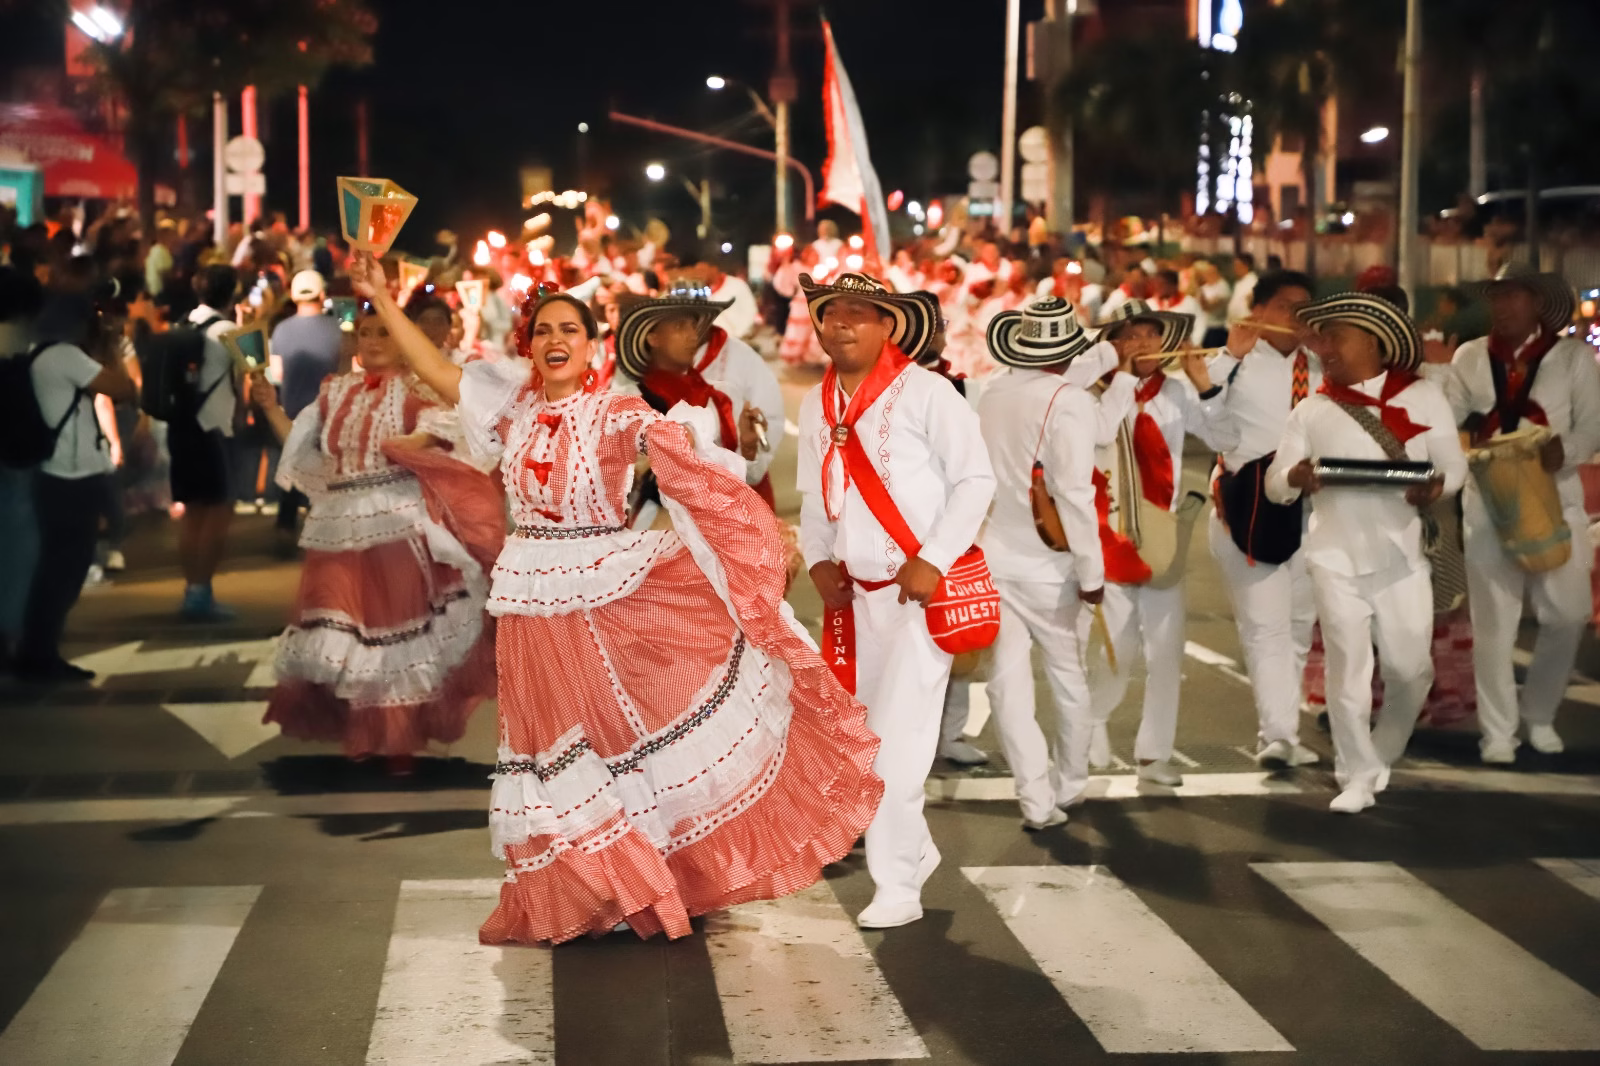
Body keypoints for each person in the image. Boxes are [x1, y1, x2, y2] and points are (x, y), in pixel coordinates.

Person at [349, 253, 883, 945]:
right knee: (552, 752)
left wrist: (748, 537)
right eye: (542, 331)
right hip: (529, 601)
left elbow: (694, 470)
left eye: (569, 328)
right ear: (529, 345)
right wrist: (382, 299)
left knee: (617, 740)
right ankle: (590, 887)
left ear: (593, 343)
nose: (555, 339)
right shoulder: (513, 411)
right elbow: (440, 371)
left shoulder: (616, 411)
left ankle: (644, 880)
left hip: (602, 589)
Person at [797, 271, 995, 929]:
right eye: (832, 313)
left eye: (860, 312)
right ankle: (916, 853)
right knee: (860, 736)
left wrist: (933, 561)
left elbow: (976, 480)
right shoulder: (815, 401)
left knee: (898, 745)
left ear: (889, 325)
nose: (843, 323)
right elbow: (815, 496)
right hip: (856, 599)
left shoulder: (929, 393)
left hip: (917, 599)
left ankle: (898, 888)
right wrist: (820, 558)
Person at [253, 303, 502, 775]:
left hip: (395, 524)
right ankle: (367, 735)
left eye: (384, 334)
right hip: (338, 527)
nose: (371, 342)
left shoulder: (413, 392)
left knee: (391, 637)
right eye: (364, 333)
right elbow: (301, 446)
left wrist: (414, 444)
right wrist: (269, 408)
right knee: (346, 635)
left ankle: (396, 742)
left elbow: (448, 430)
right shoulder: (335, 391)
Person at [1266, 292, 1467, 812]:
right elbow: (1274, 483)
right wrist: (1296, 476)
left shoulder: (1424, 396)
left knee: (1410, 670)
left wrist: (1436, 488)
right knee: (1348, 668)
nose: (1324, 347)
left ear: (1374, 342)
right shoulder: (1311, 408)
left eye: (1336, 336)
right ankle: (1355, 774)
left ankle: (1380, 754)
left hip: (1402, 557)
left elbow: (1454, 468)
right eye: (1323, 336)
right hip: (1333, 557)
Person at [1445, 264, 1600, 761]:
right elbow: (1449, 424)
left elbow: (1594, 428)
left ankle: (1538, 714)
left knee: (1569, 612)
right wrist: (1466, 448)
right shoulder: (1469, 356)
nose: (1503, 304)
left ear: (1537, 303)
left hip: (1556, 496)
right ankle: (1498, 732)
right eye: (1497, 295)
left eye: (1514, 295)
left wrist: (1567, 449)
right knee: (1494, 622)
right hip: (1486, 498)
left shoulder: (1572, 357)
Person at [1085, 301, 1232, 786]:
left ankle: (1155, 754)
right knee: (1114, 649)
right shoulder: (1091, 395)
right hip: (1108, 533)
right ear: (1111, 344)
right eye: (1131, 335)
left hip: (1163, 533)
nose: (1143, 343)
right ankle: (1094, 722)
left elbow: (1227, 438)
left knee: (1166, 650)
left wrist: (1206, 384)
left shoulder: (1177, 392)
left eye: (1152, 333)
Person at [975, 296, 1104, 829]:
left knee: (1008, 685)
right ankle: (1070, 784)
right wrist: (1093, 572)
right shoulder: (1069, 400)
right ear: (1069, 350)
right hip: (1051, 568)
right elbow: (1073, 492)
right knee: (1068, 676)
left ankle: (1035, 798)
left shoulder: (991, 393)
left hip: (993, 557)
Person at [1204, 271, 1323, 769]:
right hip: (1248, 510)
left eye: (1305, 308)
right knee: (1266, 627)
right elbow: (1208, 427)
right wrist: (1228, 358)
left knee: (1297, 626)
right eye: (1286, 307)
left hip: (1312, 512)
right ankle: (1278, 734)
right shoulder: (1229, 363)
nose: (1297, 319)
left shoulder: (1320, 367)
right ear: (1259, 309)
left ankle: (1281, 730)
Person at [16, 291, 136, 681]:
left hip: (54, 472)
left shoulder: (37, 352)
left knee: (57, 564)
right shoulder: (65, 356)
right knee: (65, 567)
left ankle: (37, 650)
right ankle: (40, 654)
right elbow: (121, 387)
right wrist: (106, 346)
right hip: (71, 475)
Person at [613, 283, 785, 511]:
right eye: (679, 326)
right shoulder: (631, 402)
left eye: (693, 326)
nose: (692, 335)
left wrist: (748, 446)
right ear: (653, 338)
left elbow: (747, 478)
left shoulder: (722, 395)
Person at [169, 265, 243, 620]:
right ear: (231, 294)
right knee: (218, 512)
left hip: (182, 428)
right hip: (216, 430)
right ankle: (203, 592)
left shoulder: (181, 324)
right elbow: (254, 373)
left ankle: (191, 591)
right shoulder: (229, 330)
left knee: (193, 512)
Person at [269, 270, 343, 553]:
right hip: (329, 410)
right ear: (322, 295)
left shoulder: (282, 330)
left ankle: (285, 530)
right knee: (325, 473)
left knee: (291, 471)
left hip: (290, 412)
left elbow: (276, 373)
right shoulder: (335, 329)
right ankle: (324, 534)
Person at [704, 258, 760, 341]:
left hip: (738, 340)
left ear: (714, 268)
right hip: (715, 342)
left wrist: (738, 335)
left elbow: (751, 312)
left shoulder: (737, 285)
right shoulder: (703, 289)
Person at [1195, 260, 1232, 348]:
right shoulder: (1203, 288)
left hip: (1218, 327)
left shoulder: (1223, 286)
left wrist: (1203, 300)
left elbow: (1210, 306)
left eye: (1210, 272)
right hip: (1205, 327)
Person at [1227, 253, 1259, 325]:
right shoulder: (1238, 283)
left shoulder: (1253, 281)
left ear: (1246, 265)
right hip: (1235, 323)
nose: (1235, 268)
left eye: (1238, 265)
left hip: (1246, 324)